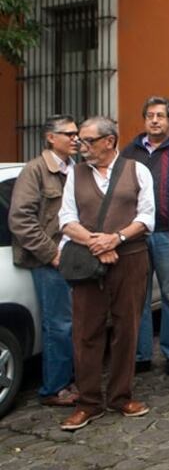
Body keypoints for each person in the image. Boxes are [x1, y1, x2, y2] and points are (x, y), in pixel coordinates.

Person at [58, 117, 155, 430]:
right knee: (86, 331)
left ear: (109, 141)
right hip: (88, 262)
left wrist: (117, 238)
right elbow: (66, 219)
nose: (80, 146)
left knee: (127, 329)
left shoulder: (137, 170)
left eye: (87, 140)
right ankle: (88, 402)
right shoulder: (75, 174)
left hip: (130, 259)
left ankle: (120, 396)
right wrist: (97, 243)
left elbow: (147, 216)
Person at [9, 114, 80, 407]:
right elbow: (20, 220)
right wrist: (52, 255)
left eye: (77, 133)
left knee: (73, 323)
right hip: (50, 261)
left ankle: (69, 379)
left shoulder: (75, 169)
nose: (76, 138)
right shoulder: (35, 171)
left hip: (75, 257)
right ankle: (54, 387)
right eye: (70, 134)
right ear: (51, 137)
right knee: (58, 324)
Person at [122, 96, 169, 376]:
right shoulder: (130, 151)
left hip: (167, 233)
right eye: (150, 115)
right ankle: (140, 355)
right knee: (137, 297)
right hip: (136, 234)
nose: (154, 120)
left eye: (160, 116)